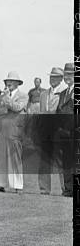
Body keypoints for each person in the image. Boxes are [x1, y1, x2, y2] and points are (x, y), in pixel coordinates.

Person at [0, 72, 28, 194]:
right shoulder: (2, 96)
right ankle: (0, 185)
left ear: (18, 83)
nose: (9, 83)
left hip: (15, 131)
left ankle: (17, 185)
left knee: (15, 158)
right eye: (7, 81)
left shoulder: (23, 96)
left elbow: (17, 107)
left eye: (12, 81)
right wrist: (6, 107)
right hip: (2, 131)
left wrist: (6, 102)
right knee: (1, 158)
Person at [37, 67, 68, 195]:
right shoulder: (44, 94)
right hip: (45, 132)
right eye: (51, 77)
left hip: (58, 131)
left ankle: (65, 188)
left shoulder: (65, 93)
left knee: (61, 162)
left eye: (55, 77)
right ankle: (44, 189)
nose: (52, 79)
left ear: (61, 79)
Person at [54, 63, 74, 197]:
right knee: (66, 161)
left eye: (70, 74)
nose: (67, 77)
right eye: (66, 74)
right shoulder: (62, 94)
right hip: (63, 133)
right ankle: (68, 189)